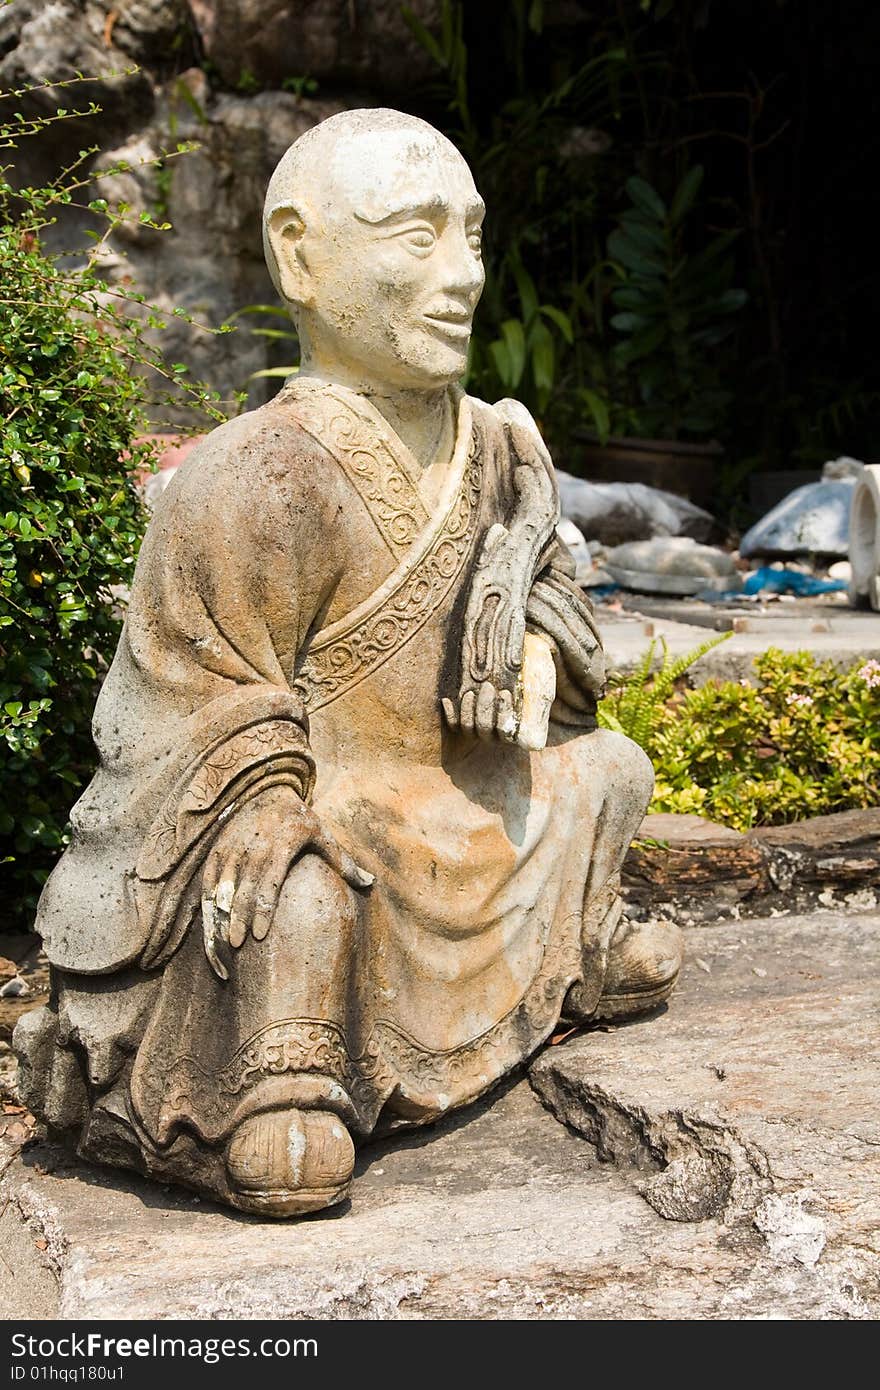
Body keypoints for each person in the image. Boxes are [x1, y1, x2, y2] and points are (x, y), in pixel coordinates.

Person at [16, 109, 682, 1217]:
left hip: (464, 791)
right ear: (300, 253)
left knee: (609, 771)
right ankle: (282, 1079)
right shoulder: (250, 473)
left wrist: (531, 649)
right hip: (336, 812)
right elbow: (191, 688)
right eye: (415, 237)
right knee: (300, 890)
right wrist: (266, 795)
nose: (462, 273)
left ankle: (576, 951)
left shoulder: (502, 444)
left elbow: (556, 638)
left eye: (471, 234)